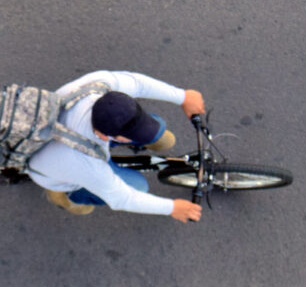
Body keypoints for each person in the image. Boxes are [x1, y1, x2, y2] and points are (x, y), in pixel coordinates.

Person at [27, 70, 205, 223]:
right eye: (130, 136)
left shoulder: (99, 84)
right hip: (56, 166)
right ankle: (65, 196)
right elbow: (123, 199)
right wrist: (172, 208)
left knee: (158, 129)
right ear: (105, 136)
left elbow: (139, 84)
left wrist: (183, 96)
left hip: (69, 130)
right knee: (137, 187)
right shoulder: (84, 162)